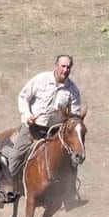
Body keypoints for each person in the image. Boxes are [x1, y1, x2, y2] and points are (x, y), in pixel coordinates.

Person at [7, 54, 85, 209]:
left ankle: (70, 197)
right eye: (63, 66)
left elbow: (75, 115)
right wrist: (27, 115)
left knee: (72, 160)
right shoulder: (41, 80)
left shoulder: (72, 90)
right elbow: (23, 97)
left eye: (68, 67)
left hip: (55, 133)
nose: (66, 70)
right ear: (56, 66)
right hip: (33, 128)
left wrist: (69, 120)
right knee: (16, 156)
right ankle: (7, 189)